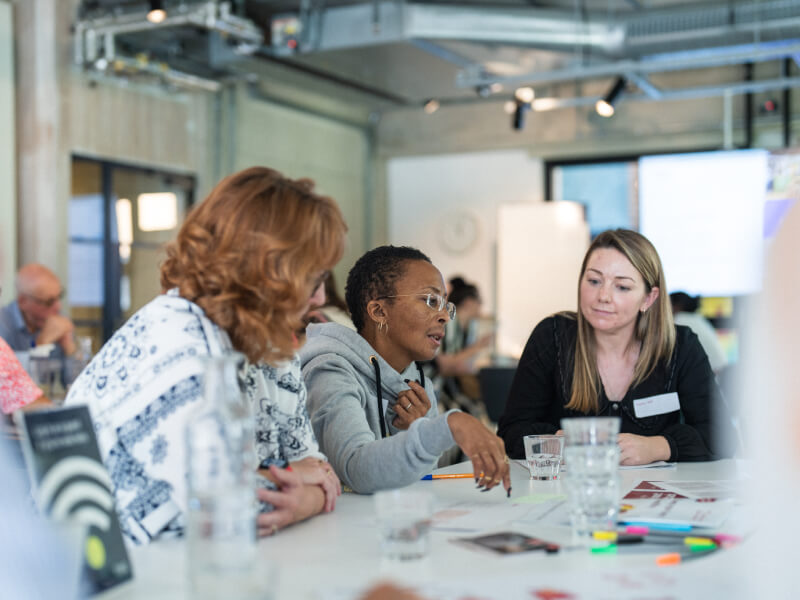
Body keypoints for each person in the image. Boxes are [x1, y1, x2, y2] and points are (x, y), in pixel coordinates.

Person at [65, 166, 346, 544]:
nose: (320, 299)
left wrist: (300, 490)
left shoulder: (265, 343)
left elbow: (318, 468)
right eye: (312, 280)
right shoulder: (180, 343)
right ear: (264, 272)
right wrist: (300, 492)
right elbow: (215, 514)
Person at [497, 229, 735, 465]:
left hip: (653, 498)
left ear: (648, 298)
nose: (603, 296)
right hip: (572, 493)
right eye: (594, 281)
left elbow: (722, 437)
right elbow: (512, 434)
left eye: (621, 287)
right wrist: (557, 442)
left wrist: (659, 447)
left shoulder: (679, 347)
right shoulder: (552, 337)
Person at [300, 245, 510, 494]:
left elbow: (423, 476)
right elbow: (356, 469)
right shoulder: (331, 370)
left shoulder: (417, 381)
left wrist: (412, 431)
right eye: (431, 300)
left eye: (445, 304)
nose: (444, 315)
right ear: (379, 311)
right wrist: (447, 425)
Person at [0, 263, 77, 358]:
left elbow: (79, 371)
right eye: (49, 302)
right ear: (23, 301)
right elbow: (10, 370)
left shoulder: (59, 318)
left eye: (59, 297)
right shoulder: (3, 324)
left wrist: (69, 348)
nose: (58, 307)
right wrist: (42, 343)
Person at [670, 291, 728, 374]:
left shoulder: (680, 320)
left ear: (676, 306)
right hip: (719, 370)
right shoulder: (698, 318)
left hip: (710, 372)